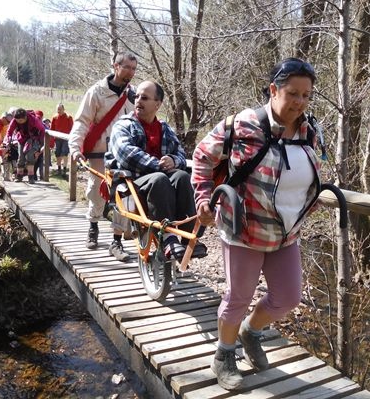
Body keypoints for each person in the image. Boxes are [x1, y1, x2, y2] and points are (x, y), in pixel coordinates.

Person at [191, 58, 322, 390]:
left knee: (289, 297)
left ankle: (251, 332)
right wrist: (203, 198)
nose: (300, 102)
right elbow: (203, 157)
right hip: (244, 229)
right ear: (274, 89)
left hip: (287, 233)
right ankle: (223, 355)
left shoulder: (310, 131)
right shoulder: (243, 124)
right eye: (293, 93)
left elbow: (311, 171)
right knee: (238, 296)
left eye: (306, 96)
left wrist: (312, 197)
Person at [107, 80, 206, 261]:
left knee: (183, 177)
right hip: (133, 182)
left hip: (159, 181)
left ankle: (188, 237)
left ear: (158, 104)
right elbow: (126, 155)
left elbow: (181, 155)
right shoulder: (123, 125)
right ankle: (167, 238)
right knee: (160, 178)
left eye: (144, 98)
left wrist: (173, 160)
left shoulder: (165, 128)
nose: (138, 101)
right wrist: (159, 164)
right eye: (137, 97)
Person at [69, 51, 137, 257]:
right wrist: (74, 147)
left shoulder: (135, 94)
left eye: (134, 68)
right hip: (99, 152)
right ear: (116, 66)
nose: (131, 72)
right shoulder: (96, 92)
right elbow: (81, 121)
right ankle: (93, 225)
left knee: (125, 194)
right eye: (127, 67)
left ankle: (116, 241)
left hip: (124, 155)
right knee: (96, 191)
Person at [3, 108, 45, 184]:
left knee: (30, 156)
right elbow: (9, 132)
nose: (19, 122)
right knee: (21, 157)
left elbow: (42, 130)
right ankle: (19, 176)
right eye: (17, 120)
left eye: (21, 121)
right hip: (21, 139)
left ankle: (31, 177)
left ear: (25, 117)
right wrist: (8, 140)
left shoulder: (34, 120)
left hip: (32, 139)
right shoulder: (15, 120)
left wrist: (40, 143)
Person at [50, 103, 73, 178]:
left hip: (66, 138)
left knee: (64, 153)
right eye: (57, 109)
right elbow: (52, 129)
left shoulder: (68, 117)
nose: (58, 111)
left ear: (63, 109)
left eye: (60, 109)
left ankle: (64, 170)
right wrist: (52, 139)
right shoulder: (55, 117)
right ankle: (59, 169)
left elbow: (72, 128)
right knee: (58, 153)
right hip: (57, 139)